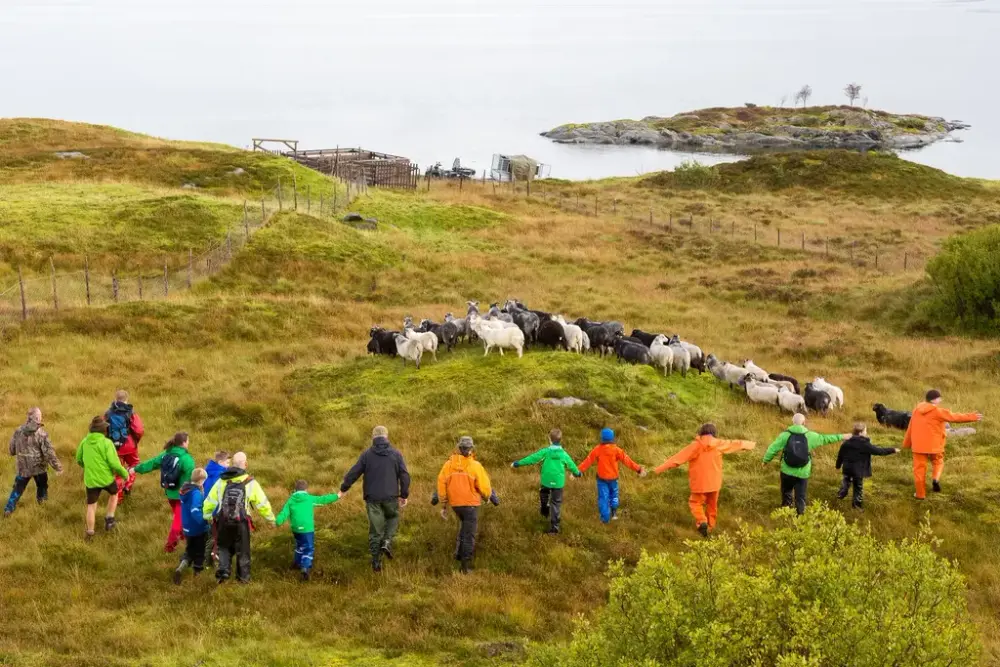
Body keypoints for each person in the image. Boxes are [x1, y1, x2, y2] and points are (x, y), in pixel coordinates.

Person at [655, 423, 756, 536]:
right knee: (712, 506)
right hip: (714, 483)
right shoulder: (719, 444)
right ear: (714, 434)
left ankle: (702, 521)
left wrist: (656, 471)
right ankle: (709, 529)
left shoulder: (695, 446)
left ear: (701, 432)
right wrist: (752, 445)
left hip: (699, 483)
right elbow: (737, 444)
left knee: (695, 503)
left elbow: (676, 460)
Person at [340, 426, 410, 573]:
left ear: (373, 438)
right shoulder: (396, 454)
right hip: (391, 496)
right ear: (386, 437)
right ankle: (387, 541)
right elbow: (404, 475)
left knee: (375, 530)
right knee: (393, 517)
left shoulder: (367, 455)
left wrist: (344, 488)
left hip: (372, 499)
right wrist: (404, 495)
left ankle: (376, 562)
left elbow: (354, 472)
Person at [201, 452, 275, 584]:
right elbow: (262, 503)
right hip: (242, 522)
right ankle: (243, 579)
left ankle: (223, 572)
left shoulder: (221, 481)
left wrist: (207, 516)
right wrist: (270, 519)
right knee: (243, 551)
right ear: (245, 464)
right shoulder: (250, 482)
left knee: (223, 547)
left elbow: (209, 501)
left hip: (222, 520)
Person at [434, 436, 499, 573]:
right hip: (470, 505)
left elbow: (441, 483)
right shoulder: (475, 466)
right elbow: (485, 486)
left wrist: (444, 503)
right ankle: (465, 566)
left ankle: (458, 553)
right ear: (471, 449)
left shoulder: (448, 465)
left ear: (459, 448)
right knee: (469, 535)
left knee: (463, 527)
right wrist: (488, 497)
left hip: (456, 505)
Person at [903, 389, 983, 500]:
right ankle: (935, 479)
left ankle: (920, 494)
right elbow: (954, 417)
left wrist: (907, 443)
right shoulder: (937, 411)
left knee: (919, 470)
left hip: (918, 445)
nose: (941, 400)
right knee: (938, 462)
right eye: (939, 398)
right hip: (934, 445)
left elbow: (910, 427)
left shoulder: (916, 410)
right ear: (934, 400)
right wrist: (972, 416)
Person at [762, 413, 847, 516]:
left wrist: (765, 461)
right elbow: (826, 439)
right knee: (800, 496)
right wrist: (843, 436)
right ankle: (800, 518)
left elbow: (772, 448)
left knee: (786, 492)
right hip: (803, 472)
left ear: (793, 422)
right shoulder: (811, 436)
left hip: (786, 471)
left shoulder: (785, 435)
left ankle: (785, 513)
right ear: (804, 423)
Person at [132, 432, 196, 552]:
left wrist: (135, 469)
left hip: (169, 493)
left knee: (180, 517)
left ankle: (183, 536)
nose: (188, 443)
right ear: (183, 443)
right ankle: (169, 547)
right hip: (182, 495)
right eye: (188, 441)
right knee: (178, 522)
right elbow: (191, 479)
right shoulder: (187, 459)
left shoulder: (166, 454)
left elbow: (151, 464)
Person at [512, 428, 581, 534]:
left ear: (550, 439)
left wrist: (518, 463)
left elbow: (532, 458)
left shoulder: (545, 452)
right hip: (558, 483)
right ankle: (554, 527)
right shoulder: (564, 454)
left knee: (544, 493)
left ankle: (544, 509)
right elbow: (572, 466)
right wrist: (578, 473)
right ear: (560, 440)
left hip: (546, 481)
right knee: (556, 503)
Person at [275, 480, 345, 581]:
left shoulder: (290, 500)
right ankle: (305, 567)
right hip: (307, 529)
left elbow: (283, 513)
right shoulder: (309, 498)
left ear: (295, 489)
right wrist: (337, 496)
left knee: (299, 545)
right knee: (308, 548)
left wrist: (277, 522)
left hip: (296, 529)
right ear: (306, 489)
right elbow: (323, 499)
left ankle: (297, 563)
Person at [75, 416, 129, 539]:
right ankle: (110, 519)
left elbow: (78, 459)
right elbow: (114, 463)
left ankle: (90, 532)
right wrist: (125, 474)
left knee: (91, 505)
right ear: (103, 430)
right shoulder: (107, 443)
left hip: (91, 480)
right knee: (114, 494)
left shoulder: (84, 441)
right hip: (107, 479)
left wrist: (86, 466)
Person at [577, 428, 645, 524]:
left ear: (602, 438)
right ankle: (614, 514)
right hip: (614, 479)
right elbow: (627, 461)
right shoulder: (617, 450)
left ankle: (605, 519)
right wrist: (638, 469)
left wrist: (577, 471)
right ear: (612, 438)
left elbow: (587, 461)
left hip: (602, 479)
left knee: (603, 498)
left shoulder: (597, 449)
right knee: (614, 495)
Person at [5, 407, 62, 517]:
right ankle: (42, 505)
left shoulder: (18, 431)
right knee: (42, 486)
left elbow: (11, 450)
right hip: (39, 468)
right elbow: (49, 454)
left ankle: (9, 508)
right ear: (37, 417)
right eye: (40, 416)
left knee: (17, 489)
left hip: (22, 468)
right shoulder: (41, 434)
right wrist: (58, 467)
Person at [835, 423, 898, 510]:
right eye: (865, 431)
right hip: (858, 471)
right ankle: (857, 506)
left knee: (846, 481)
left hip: (847, 468)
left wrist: (838, 465)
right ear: (860, 433)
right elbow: (879, 451)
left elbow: (840, 455)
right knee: (858, 488)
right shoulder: (864, 444)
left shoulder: (846, 442)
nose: (866, 432)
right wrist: (892, 450)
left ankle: (841, 494)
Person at [104, 389, 145, 501]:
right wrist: (135, 440)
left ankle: (118, 498)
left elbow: (103, 430)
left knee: (118, 472)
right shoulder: (131, 412)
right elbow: (139, 429)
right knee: (134, 465)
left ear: (115, 398)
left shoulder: (108, 413)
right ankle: (128, 485)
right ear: (127, 399)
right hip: (130, 446)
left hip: (115, 448)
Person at [174, 468, 211, 584]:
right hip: (198, 527)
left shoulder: (185, 490)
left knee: (190, 549)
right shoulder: (196, 493)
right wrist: (204, 522)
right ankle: (197, 572)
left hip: (187, 526)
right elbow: (195, 510)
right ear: (201, 480)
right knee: (200, 550)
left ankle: (181, 567)